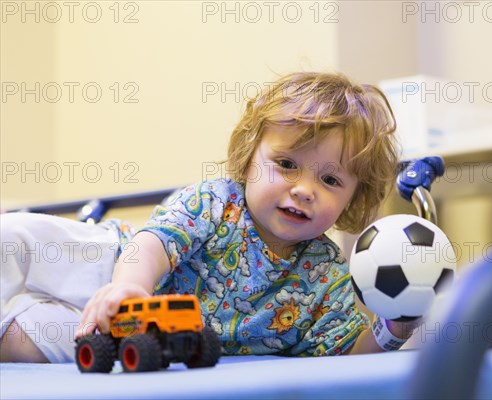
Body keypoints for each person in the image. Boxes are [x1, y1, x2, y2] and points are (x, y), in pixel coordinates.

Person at [1, 71, 415, 363]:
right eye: (287, 164)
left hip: (139, 334)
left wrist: (394, 329)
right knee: (16, 236)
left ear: (353, 197)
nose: (304, 188)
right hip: (112, 265)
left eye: (329, 179)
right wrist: (128, 288)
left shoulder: (326, 276)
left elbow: (345, 353)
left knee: (25, 343)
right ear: (249, 156)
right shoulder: (217, 203)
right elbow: (154, 244)